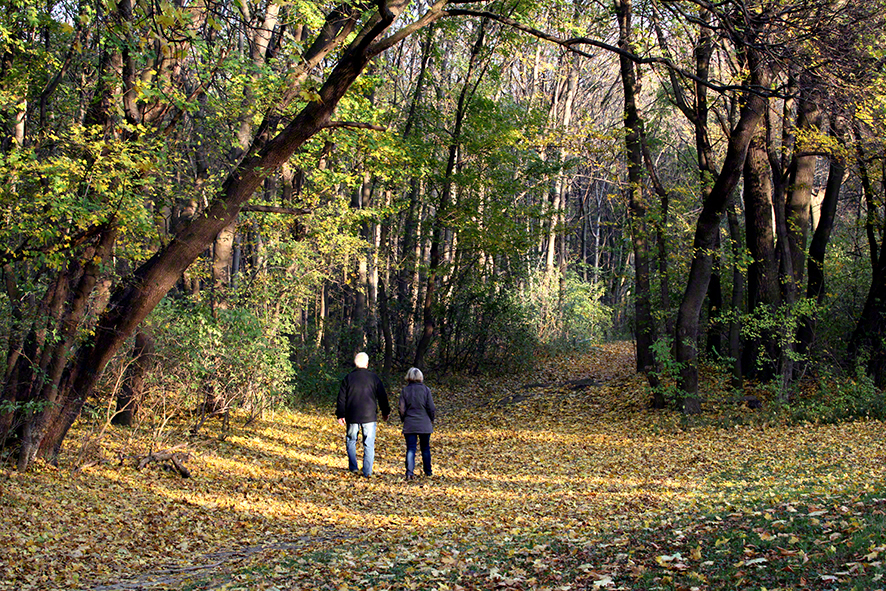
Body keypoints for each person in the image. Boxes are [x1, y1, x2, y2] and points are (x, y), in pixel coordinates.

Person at [336, 352, 390, 478]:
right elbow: (382, 397)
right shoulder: (374, 378)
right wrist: (385, 412)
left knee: (351, 440)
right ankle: (367, 471)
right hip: (369, 416)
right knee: (369, 444)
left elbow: (341, 398)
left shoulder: (348, 378)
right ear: (367, 363)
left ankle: (353, 467)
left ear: (355, 363)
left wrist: (341, 414)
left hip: (352, 415)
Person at [398, 367, 436, 481]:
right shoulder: (426, 390)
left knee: (411, 449)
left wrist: (404, 419)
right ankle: (428, 471)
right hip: (424, 423)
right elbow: (431, 407)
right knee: (425, 448)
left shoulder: (405, 391)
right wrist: (431, 419)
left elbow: (401, 408)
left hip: (410, 423)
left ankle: (409, 472)